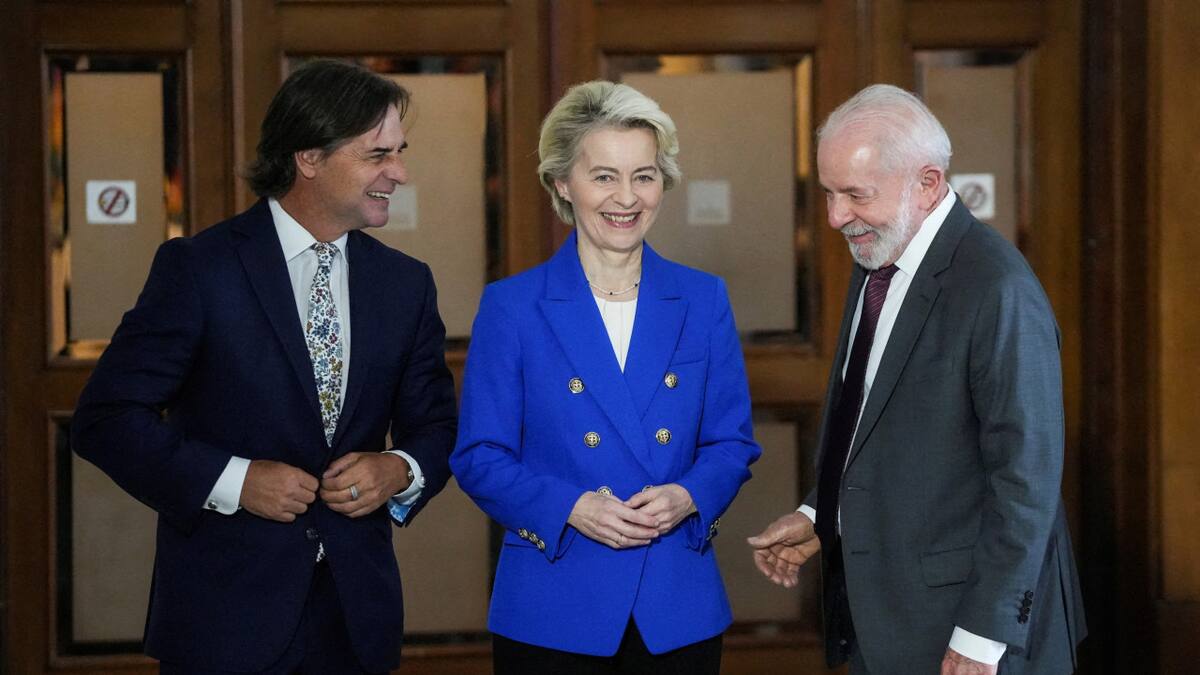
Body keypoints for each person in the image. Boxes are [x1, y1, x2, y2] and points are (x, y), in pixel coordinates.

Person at [71, 60, 457, 674]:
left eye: (399, 152)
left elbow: (436, 428)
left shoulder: (406, 285)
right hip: (225, 622)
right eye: (377, 154)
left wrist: (398, 469)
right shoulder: (198, 269)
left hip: (357, 622)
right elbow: (106, 419)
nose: (400, 173)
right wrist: (234, 481)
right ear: (309, 157)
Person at [747, 84, 1086, 675]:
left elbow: (1026, 483)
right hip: (887, 620)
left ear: (927, 184)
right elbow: (874, 418)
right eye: (828, 194)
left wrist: (983, 636)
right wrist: (820, 516)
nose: (835, 217)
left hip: (970, 632)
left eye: (855, 195)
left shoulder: (997, 288)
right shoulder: (881, 250)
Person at [449, 80, 761, 674]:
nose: (627, 197)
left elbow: (731, 441)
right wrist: (570, 507)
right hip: (555, 601)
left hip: (675, 606)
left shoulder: (702, 299)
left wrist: (688, 495)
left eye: (644, 175)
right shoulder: (513, 307)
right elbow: (479, 455)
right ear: (563, 184)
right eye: (604, 176)